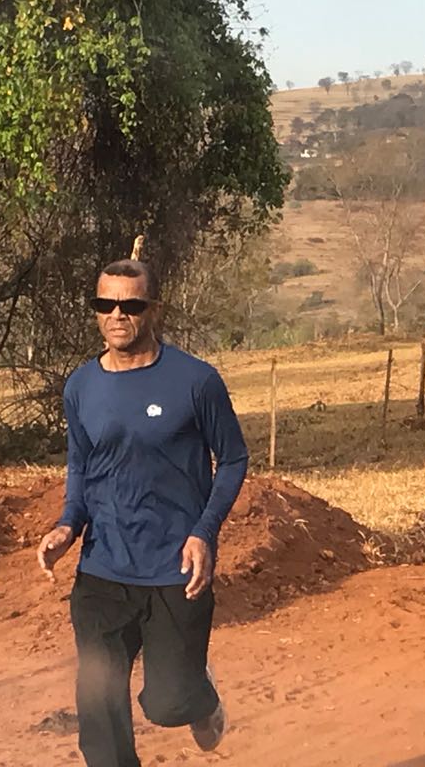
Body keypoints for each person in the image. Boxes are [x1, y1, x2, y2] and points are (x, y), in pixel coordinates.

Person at [36, 258, 248, 767]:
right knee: (99, 706)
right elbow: (81, 466)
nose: (117, 315)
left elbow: (233, 459)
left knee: (168, 704)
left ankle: (199, 696)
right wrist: (68, 524)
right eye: (105, 304)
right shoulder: (81, 386)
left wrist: (204, 533)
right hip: (103, 569)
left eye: (130, 305)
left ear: (153, 309)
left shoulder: (195, 381)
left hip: (175, 568)